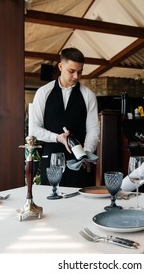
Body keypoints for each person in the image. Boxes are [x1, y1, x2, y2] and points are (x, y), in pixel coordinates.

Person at [32, 47, 100, 188]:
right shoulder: (43, 92)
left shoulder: (88, 95)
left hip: (78, 164)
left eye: (80, 72)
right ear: (61, 66)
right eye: (71, 71)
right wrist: (58, 137)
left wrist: (86, 153)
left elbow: (93, 130)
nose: (76, 76)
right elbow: (34, 129)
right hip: (50, 162)